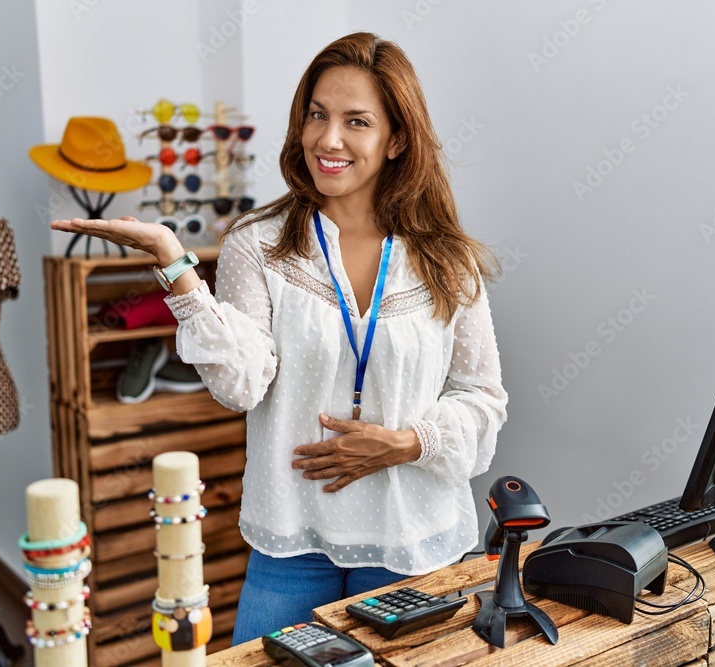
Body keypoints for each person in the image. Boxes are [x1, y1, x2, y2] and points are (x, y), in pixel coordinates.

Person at [52, 31, 507, 644]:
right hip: (294, 540)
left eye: (356, 121)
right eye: (317, 115)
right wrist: (174, 264)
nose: (328, 139)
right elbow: (240, 384)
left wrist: (406, 442)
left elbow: (483, 398)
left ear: (397, 139)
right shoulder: (258, 243)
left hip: (411, 540)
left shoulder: (447, 260)